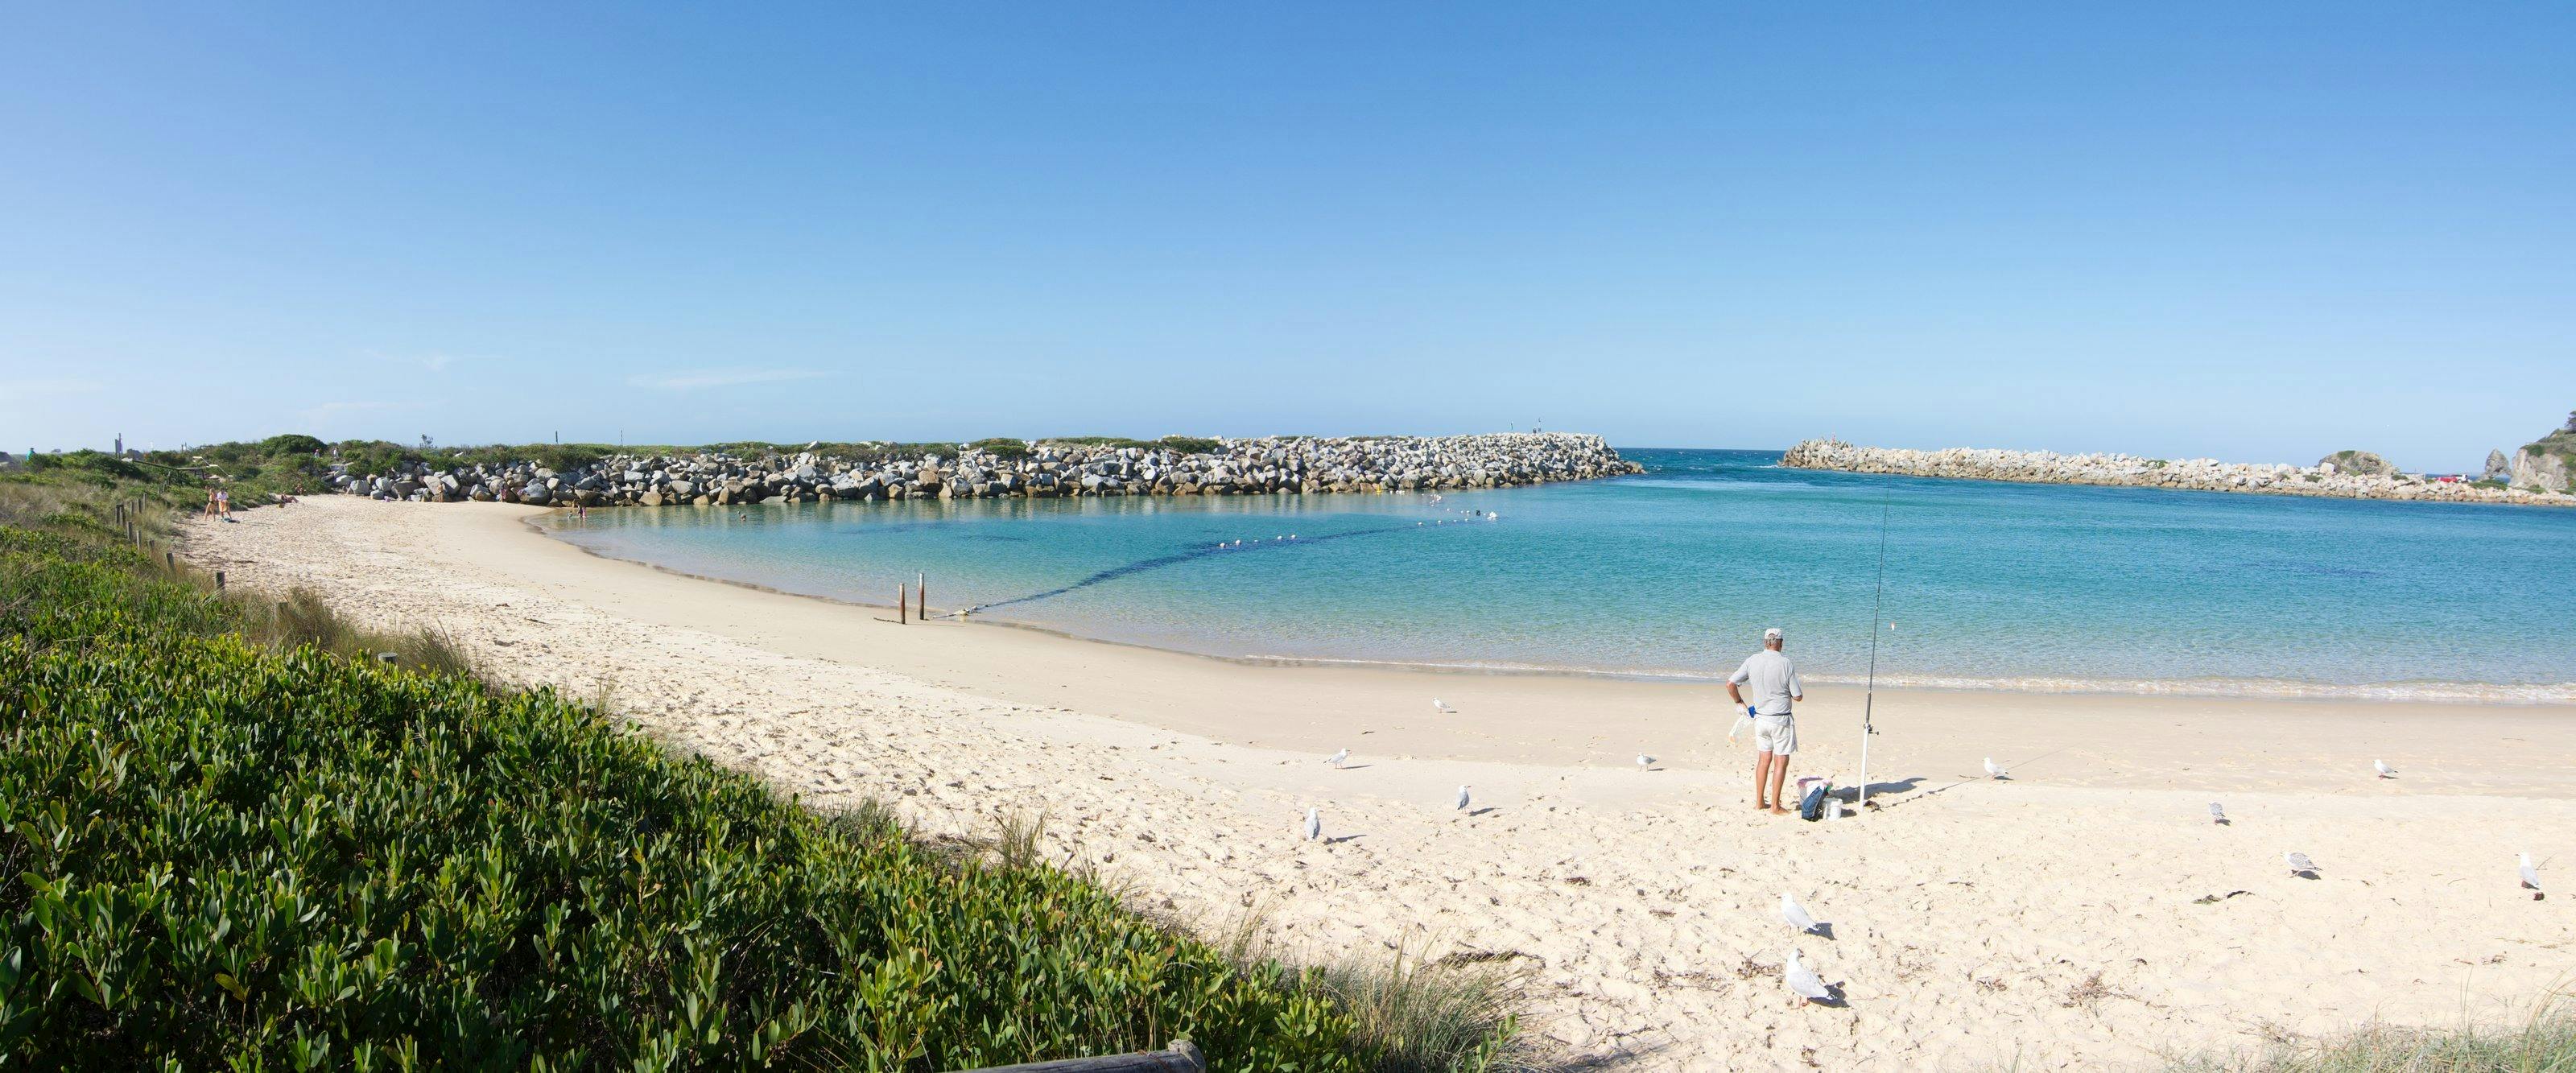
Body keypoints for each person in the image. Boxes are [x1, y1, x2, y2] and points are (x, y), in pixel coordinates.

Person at [1727, 626, 1805, 815]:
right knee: (1781, 761)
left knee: (1764, 760)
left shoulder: (1753, 660)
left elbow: (1730, 684)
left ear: (1765, 643)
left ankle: (1759, 802)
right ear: (1781, 643)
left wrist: (1739, 702)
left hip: (1760, 720)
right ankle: (1775, 806)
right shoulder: (1786, 663)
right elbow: (1798, 696)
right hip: (1780, 720)